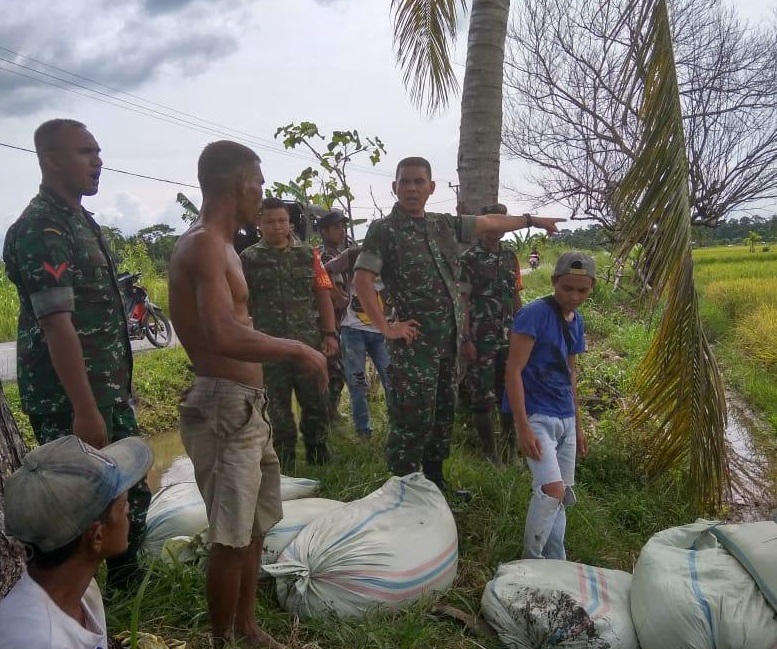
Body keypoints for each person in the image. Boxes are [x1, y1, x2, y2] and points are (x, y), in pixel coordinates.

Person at [168, 141, 327, 648]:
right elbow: (220, 334)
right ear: (241, 184)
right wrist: (298, 348)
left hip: (246, 407)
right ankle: (222, 640)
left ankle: (247, 627)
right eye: (258, 184)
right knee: (230, 536)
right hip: (222, 406)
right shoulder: (203, 247)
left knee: (255, 528)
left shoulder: (223, 246)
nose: (262, 196)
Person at [352, 156, 563, 493]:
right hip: (414, 349)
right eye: (404, 182)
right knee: (411, 422)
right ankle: (401, 493)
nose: (411, 188)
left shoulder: (442, 225)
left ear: (430, 188)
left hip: (448, 346)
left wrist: (532, 220)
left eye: (419, 182)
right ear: (394, 187)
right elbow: (362, 280)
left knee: (440, 418)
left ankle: (436, 484)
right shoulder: (384, 231)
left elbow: (490, 221)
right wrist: (386, 327)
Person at [2, 118, 150, 590]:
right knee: (74, 507)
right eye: (87, 152)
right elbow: (55, 324)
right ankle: (76, 599)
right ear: (52, 161)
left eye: (98, 151)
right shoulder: (41, 228)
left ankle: (124, 590)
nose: (98, 161)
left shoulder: (78, 220)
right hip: (69, 398)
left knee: (126, 495)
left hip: (102, 390)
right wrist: (85, 410)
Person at [0, 435, 153, 649]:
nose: (129, 510)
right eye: (123, 505)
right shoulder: (39, 640)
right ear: (97, 536)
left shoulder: (82, 590)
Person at [503, 251, 594, 560]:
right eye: (567, 288)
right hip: (537, 414)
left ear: (592, 287)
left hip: (565, 416)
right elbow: (513, 370)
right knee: (550, 491)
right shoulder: (534, 314)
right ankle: (532, 559)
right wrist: (522, 426)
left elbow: (571, 374)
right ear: (555, 281)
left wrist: (579, 427)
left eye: (582, 290)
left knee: (561, 495)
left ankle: (557, 561)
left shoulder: (577, 320)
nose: (574, 296)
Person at [241, 198, 338, 471]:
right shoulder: (248, 259)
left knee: (316, 405)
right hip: (268, 348)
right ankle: (285, 467)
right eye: (270, 222)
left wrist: (329, 334)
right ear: (260, 224)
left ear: (290, 223)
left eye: (282, 221)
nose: (277, 227)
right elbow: (241, 304)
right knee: (278, 411)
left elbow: (322, 295)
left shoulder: (309, 255)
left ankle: (320, 462)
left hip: (307, 344)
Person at [460, 203, 524, 465]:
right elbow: (462, 300)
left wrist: (523, 331)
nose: (495, 227)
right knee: (483, 397)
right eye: (491, 220)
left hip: (509, 337)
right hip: (480, 338)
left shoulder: (510, 257)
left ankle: (511, 451)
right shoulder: (469, 259)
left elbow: (517, 295)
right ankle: (490, 455)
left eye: (501, 221)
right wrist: (466, 339)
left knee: (509, 393)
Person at [325, 246, 391, 438]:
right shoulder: (353, 255)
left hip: (383, 330)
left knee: (392, 380)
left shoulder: (395, 254)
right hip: (353, 329)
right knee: (357, 382)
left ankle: (398, 426)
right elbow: (325, 270)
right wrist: (338, 297)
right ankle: (363, 431)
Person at [317, 209, 351, 421]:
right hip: (333, 321)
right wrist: (344, 301)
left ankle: (330, 413)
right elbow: (331, 290)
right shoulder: (329, 256)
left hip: (334, 320)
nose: (342, 230)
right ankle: (330, 415)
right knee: (335, 370)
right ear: (324, 231)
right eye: (337, 227)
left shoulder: (332, 254)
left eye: (343, 226)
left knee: (334, 369)